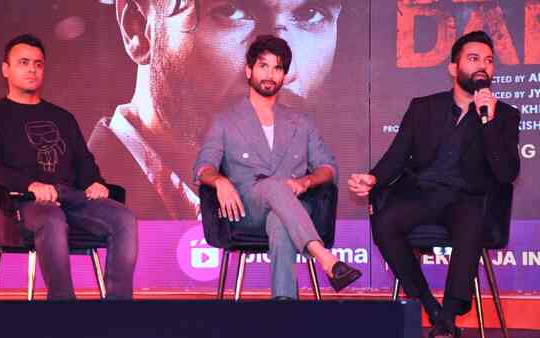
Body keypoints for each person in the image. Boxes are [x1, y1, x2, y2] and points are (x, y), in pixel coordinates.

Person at [88, 0, 343, 219]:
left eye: (311, 14)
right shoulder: (90, 198)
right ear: (137, 27)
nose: (282, 75)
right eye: (231, 11)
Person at [348, 31, 520, 337]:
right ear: (453, 68)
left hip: (467, 199)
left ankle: (449, 314)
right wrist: (373, 178)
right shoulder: (423, 107)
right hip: (422, 194)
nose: (483, 66)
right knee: (386, 221)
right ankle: (428, 305)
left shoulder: (504, 116)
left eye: (489, 61)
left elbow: (506, 173)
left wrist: (489, 123)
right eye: (473, 58)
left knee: (471, 222)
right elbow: (397, 155)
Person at [0, 34, 138, 300]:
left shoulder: (62, 118)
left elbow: (84, 162)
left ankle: (118, 307)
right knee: (51, 218)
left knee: (123, 218)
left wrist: (96, 182)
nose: (32, 69)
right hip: (17, 205)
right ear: (6, 69)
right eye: (23, 62)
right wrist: (30, 185)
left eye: (38, 64)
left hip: (70, 199)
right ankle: (62, 305)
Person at [194, 35, 361, 300]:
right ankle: (327, 260)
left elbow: (328, 168)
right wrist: (220, 182)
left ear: (284, 76)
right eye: (263, 66)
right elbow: (203, 167)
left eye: (278, 67)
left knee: (280, 221)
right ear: (249, 71)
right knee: (272, 186)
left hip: (294, 208)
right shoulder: (225, 120)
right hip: (245, 210)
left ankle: (284, 308)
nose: (270, 74)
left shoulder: (301, 122)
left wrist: (305, 182)